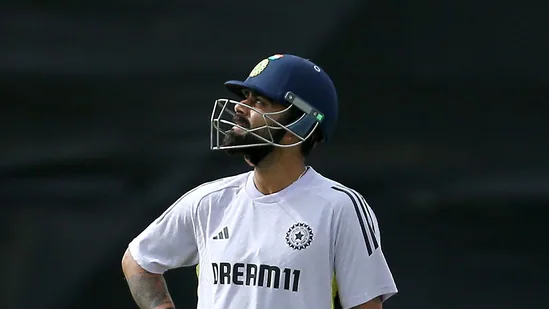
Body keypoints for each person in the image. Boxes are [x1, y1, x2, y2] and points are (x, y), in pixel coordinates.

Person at [122, 54, 398, 309]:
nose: (240, 108)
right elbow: (138, 260)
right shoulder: (209, 202)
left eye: (259, 102)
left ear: (297, 128)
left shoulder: (340, 207)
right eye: (246, 97)